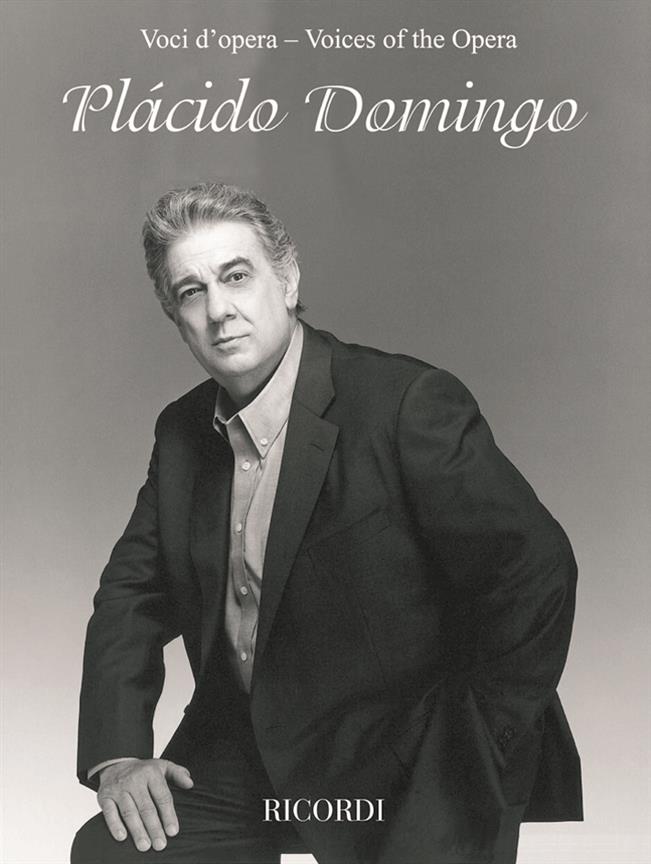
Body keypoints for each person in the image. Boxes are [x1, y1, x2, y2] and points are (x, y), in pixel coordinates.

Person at [71, 182, 582, 864]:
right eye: (192, 292)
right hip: (248, 749)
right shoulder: (182, 431)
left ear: (287, 280)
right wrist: (118, 756)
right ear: (176, 317)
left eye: (236, 276)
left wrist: (476, 742)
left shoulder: (404, 405)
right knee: (115, 853)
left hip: (406, 757)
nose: (219, 310)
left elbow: (536, 573)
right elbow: (131, 597)